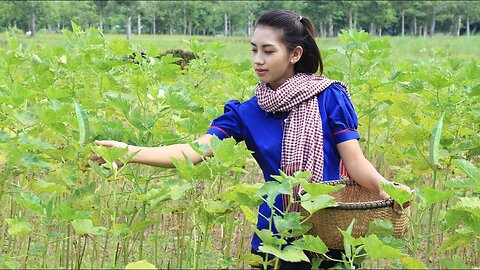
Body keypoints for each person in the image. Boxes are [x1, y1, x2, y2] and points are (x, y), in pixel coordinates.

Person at [92, 9, 410, 270]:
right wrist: (130, 152)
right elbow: (192, 152)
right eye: (254, 50)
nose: (258, 59)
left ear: (295, 53)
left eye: (268, 51)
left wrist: (389, 187)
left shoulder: (329, 98)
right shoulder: (246, 113)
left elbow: (355, 163)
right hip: (277, 236)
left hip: (330, 234)